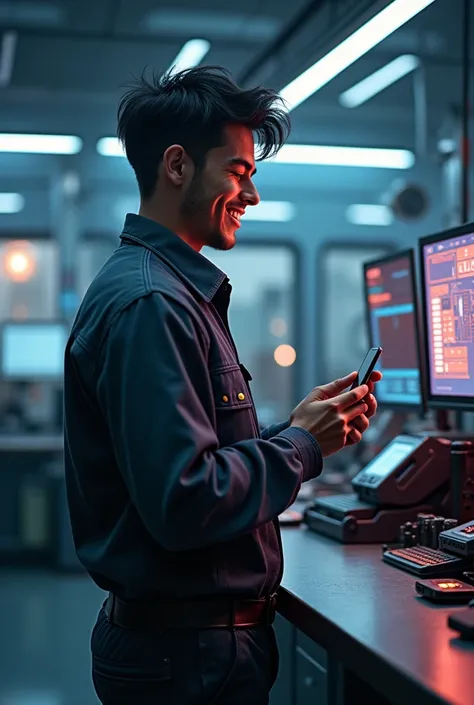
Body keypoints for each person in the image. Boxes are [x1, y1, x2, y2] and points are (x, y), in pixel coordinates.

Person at [63, 65, 381, 705]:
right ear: (177, 166)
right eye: (239, 172)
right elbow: (185, 501)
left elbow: (190, 455)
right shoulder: (153, 303)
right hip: (186, 661)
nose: (252, 195)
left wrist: (288, 428)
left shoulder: (171, 291)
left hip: (186, 652)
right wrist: (298, 446)